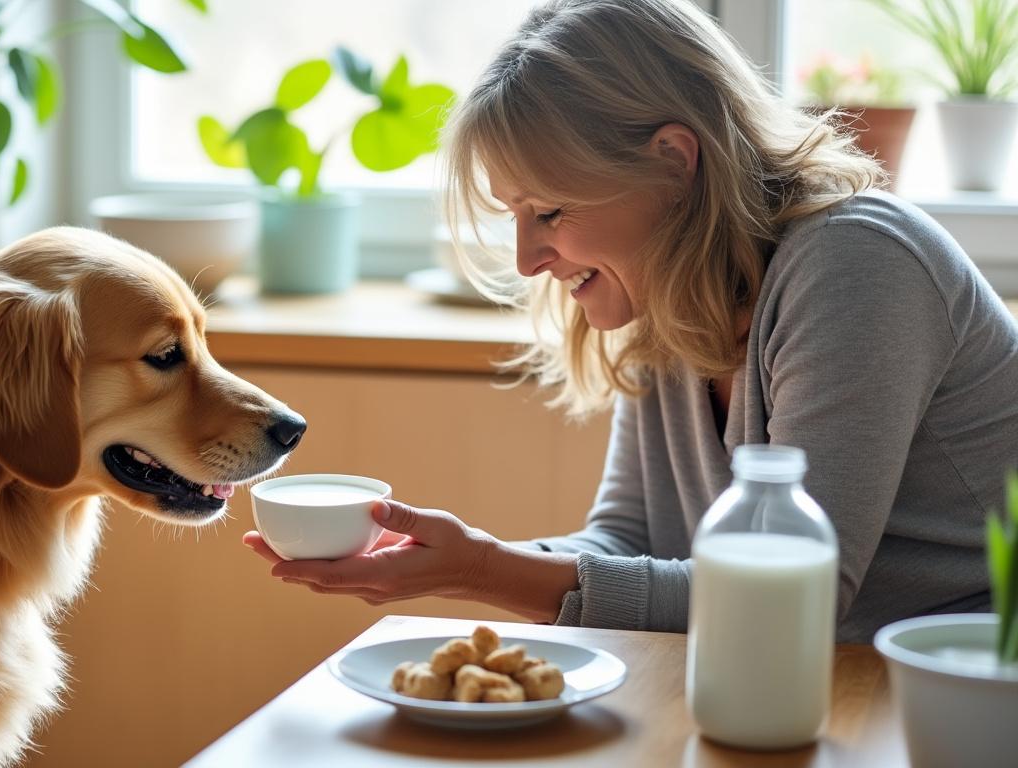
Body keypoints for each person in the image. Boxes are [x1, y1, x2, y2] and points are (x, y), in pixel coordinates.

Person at [243, 0, 1018, 643]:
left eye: (549, 211)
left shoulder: (857, 264)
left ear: (675, 161)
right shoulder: (667, 290)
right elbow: (626, 543)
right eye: (515, 216)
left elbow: (793, 598)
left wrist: (483, 569)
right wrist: (452, 559)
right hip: (818, 682)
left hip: (967, 684)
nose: (527, 261)